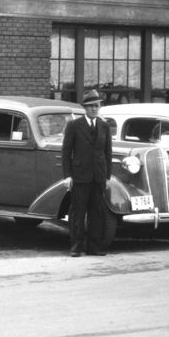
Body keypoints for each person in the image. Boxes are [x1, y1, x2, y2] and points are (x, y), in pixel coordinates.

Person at [61, 89, 113, 257]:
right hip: (80, 176)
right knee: (78, 212)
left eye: (97, 106)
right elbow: (66, 152)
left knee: (96, 212)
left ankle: (94, 247)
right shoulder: (74, 126)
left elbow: (108, 153)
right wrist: (68, 175)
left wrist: (107, 177)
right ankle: (76, 246)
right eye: (90, 106)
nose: (94, 109)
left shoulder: (104, 126)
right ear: (85, 108)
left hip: (98, 177)